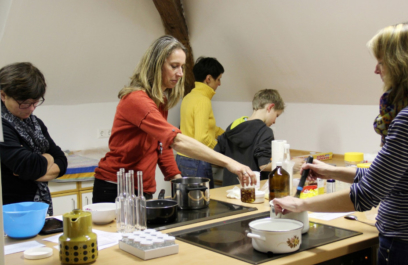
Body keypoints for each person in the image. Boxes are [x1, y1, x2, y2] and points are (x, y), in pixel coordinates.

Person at [273, 22, 408, 265]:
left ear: (403, 64)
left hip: (407, 246)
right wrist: (332, 171)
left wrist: (301, 203)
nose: (376, 70)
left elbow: (367, 195)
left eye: (381, 61)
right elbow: (393, 176)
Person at [93, 36, 255, 203]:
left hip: (142, 188)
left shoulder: (160, 101)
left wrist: (177, 178)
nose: (180, 73)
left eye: (182, 67)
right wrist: (228, 162)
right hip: (115, 186)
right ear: (156, 65)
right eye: (174, 66)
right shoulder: (136, 100)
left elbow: (162, 144)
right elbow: (175, 140)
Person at [0, 62, 68, 216]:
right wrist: (48, 158)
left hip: (37, 208)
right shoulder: (1, 127)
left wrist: (37, 166)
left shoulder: (35, 122)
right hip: (10, 211)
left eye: (35, 102)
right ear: (3, 95)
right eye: (24, 103)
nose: (31, 109)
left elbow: (61, 161)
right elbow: (28, 165)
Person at [214, 89, 286, 186]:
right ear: (270, 107)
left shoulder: (233, 127)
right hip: (250, 190)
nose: (274, 121)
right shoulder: (265, 131)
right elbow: (263, 166)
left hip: (228, 190)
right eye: (276, 115)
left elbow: (216, 155)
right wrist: (288, 163)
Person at [176, 57, 225, 188]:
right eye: (218, 79)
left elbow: (207, 127)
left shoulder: (189, 97)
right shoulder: (203, 100)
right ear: (208, 79)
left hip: (182, 158)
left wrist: (226, 134)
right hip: (197, 161)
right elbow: (202, 138)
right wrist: (221, 152)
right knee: (205, 203)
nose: (219, 83)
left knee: (187, 203)